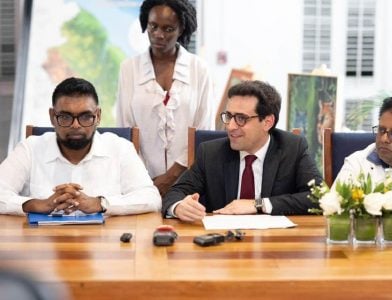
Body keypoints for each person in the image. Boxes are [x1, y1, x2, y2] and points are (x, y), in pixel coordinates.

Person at [162, 80, 323, 222]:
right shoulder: (210, 153)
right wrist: (179, 207)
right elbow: (175, 193)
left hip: (275, 246)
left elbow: (320, 197)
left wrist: (258, 205)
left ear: (267, 122)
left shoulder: (292, 148)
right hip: (224, 244)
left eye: (241, 118)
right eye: (229, 116)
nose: (230, 126)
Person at [0, 77, 161, 216]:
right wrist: (36, 205)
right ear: (52, 117)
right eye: (65, 117)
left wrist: (100, 204)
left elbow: (151, 198)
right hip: (43, 246)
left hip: (105, 246)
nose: (76, 125)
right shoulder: (30, 148)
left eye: (85, 116)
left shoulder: (120, 148)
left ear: (98, 116)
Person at [116, 0, 213, 197]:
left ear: (181, 29)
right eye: (153, 26)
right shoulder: (129, 68)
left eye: (169, 28)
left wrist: (172, 176)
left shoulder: (199, 69)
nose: (159, 34)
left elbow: (203, 129)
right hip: (140, 180)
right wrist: (145, 180)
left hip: (190, 179)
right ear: (145, 25)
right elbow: (126, 127)